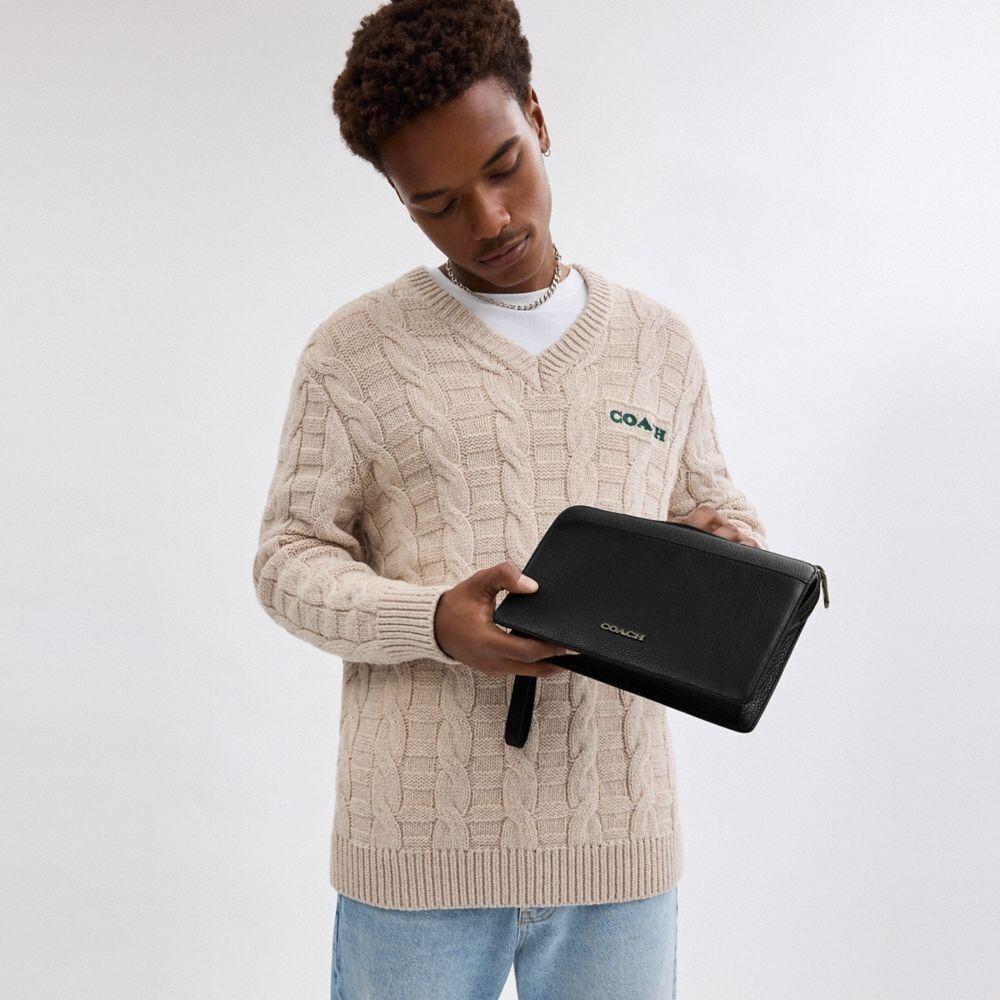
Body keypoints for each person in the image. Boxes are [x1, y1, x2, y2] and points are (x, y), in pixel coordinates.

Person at [252, 2, 766, 997]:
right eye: (436, 202)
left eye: (503, 168)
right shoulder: (353, 354)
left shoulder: (657, 344)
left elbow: (717, 507)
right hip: (415, 855)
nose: (488, 220)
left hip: (616, 845)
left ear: (537, 116)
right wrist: (432, 621)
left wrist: (718, 550)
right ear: (398, 197)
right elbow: (288, 561)